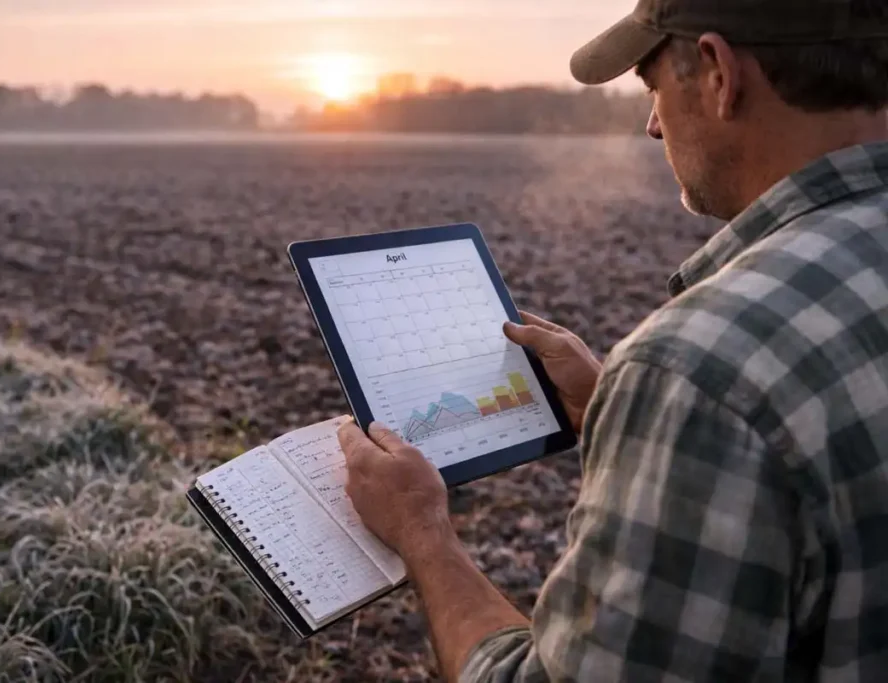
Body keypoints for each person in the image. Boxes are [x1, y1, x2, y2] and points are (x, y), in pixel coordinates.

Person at [335, 0, 888, 680]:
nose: (653, 124)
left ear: (717, 72)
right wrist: (615, 406)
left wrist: (421, 532)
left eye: (653, 87)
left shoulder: (701, 371)